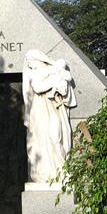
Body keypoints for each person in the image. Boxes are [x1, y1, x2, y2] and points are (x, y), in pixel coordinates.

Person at [22, 50, 76, 183]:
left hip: (52, 109)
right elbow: (37, 87)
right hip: (38, 110)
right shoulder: (38, 73)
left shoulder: (54, 70)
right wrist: (54, 78)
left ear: (39, 59)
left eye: (31, 62)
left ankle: (62, 169)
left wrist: (57, 74)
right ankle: (45, 172)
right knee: (40, 140)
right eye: (28, 63)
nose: (29, 65)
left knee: (55, 136)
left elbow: (66, 79)